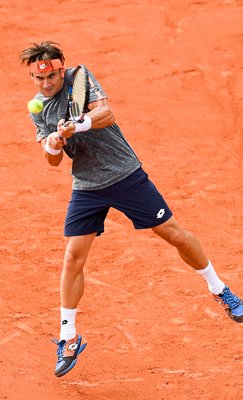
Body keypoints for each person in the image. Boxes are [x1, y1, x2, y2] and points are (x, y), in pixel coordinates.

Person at [20, 41, 243, 378]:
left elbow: (106, 113)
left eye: (51, 76)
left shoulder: (80, 78)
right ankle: (69, 336)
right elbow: (51, 162)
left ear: (61, 69)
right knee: (73, 256)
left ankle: (220, 289)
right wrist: (53, 143)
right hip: (87, 186)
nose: (47, 84)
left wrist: (76, 125)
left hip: (124, 174)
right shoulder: (39, 109)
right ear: (33, 79)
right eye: (40, 80)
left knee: (174, 235)